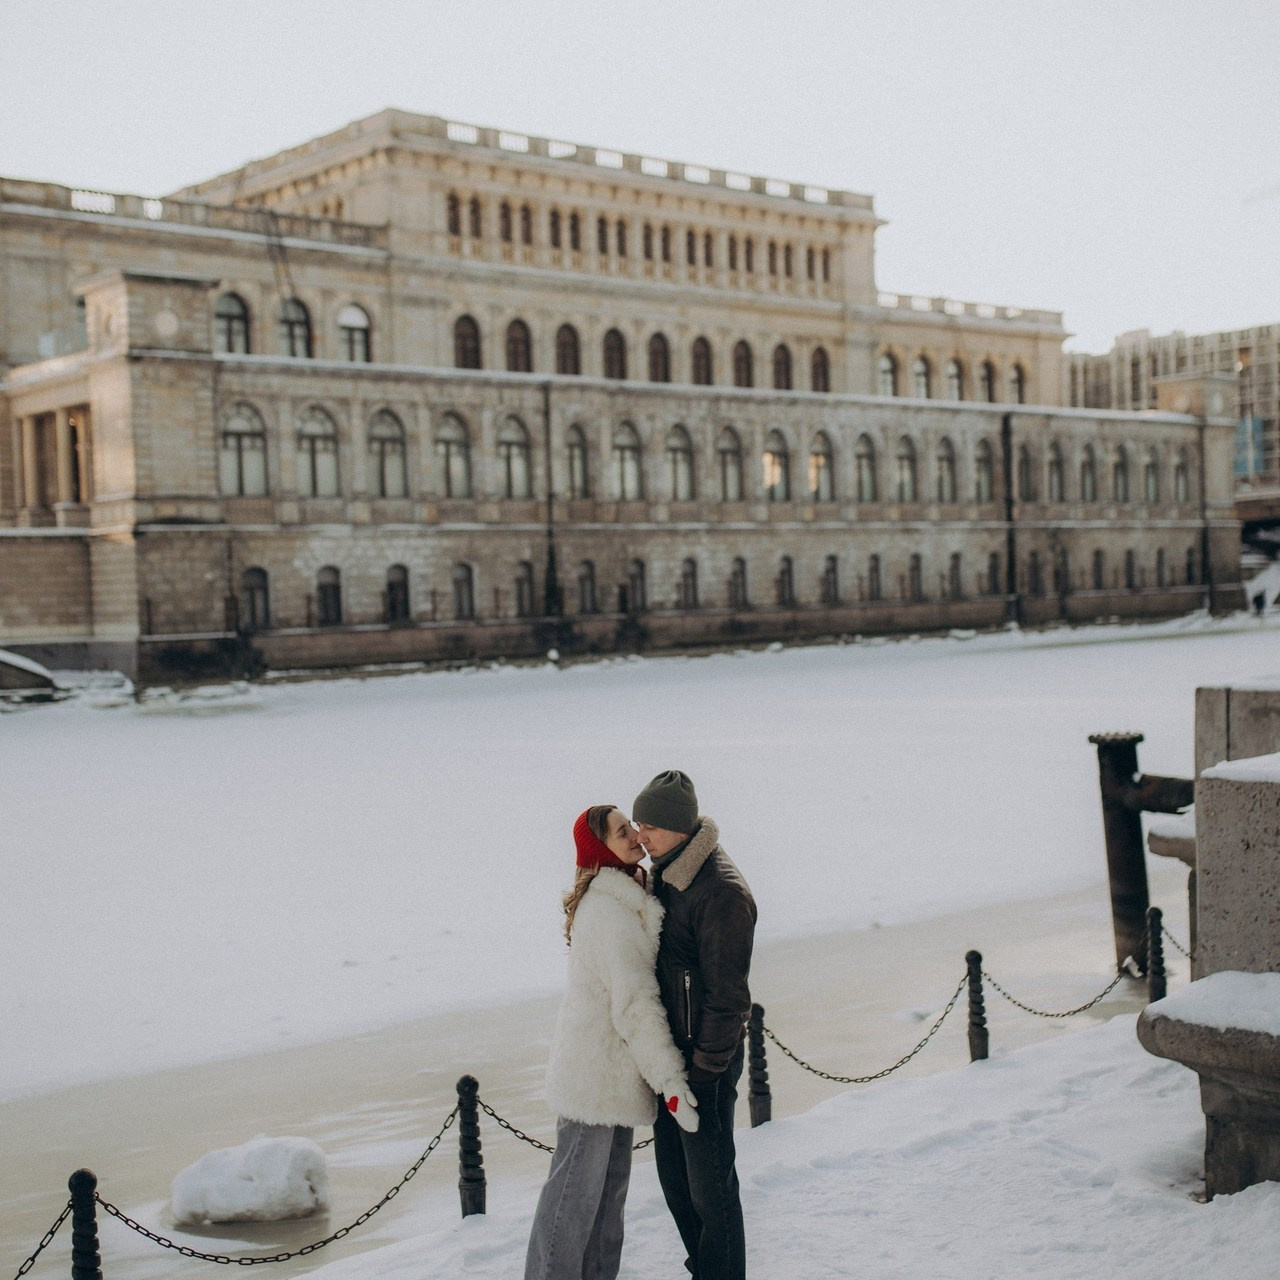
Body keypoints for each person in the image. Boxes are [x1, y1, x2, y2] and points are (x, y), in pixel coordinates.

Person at [525, 804, 699, 1280]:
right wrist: (670, 1081)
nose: (636, 836)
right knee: (572, 1202)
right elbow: (635, 1004)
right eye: (623, 833)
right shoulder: (607, 912)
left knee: (607, 1201)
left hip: (615, 1075)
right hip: (593, 1077)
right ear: (600, 850)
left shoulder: (630, 894)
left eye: (631, 827)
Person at [634, 769, 757, 1280]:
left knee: (712, 1194)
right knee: (677, 1186)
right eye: (637, 824)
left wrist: (704, 1072)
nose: (640, 836)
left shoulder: (720, 891)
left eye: (649, 827)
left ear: (679, 828)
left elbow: (728, 998)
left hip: (704, 1063)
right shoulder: (667, 873)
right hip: (672, 1061)